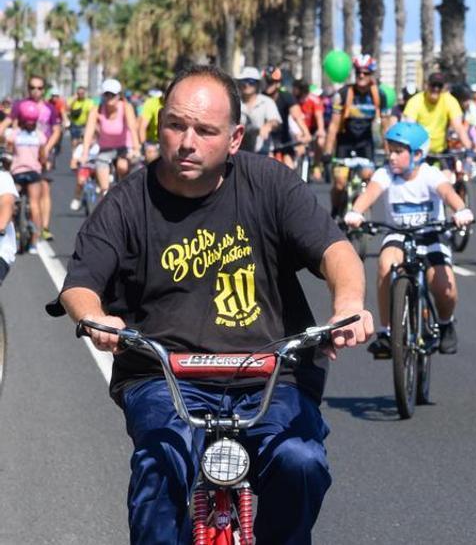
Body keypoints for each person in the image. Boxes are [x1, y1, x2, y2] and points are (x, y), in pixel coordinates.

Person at [55, 64, 374, 542]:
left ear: (235, 137)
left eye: (205, 130)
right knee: (159, 470)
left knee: (300, 462)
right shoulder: (126, 201)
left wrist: (349, 304)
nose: (188, 142)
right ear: (159, 124)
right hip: (164, 377)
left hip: (271, 375)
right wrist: (95, 317)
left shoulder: (271, 185)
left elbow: (335, 250)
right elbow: (79, 284)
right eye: (176, 125)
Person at [344, 122, 472, 357]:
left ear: (418, 154)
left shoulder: (430, 174)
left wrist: (460, 209)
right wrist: (356, 212)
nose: (391, 157)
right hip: (398, 233)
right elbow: (369, 193)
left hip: (430, 234)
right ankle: (386, 332)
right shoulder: (385, 175)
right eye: (389, 150)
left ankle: (445, 325)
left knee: (444, 288)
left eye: (398, 152)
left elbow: (447, 193)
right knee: (385, 265)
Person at [325, 55, 390, 215]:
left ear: (371, 75)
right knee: (340, 183)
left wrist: (389, 152)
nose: (361, 75)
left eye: (366, 73)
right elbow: (333, 125)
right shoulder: (343, 93)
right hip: (344, 142)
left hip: (365, 143)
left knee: (368, 177)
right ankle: (335, 210)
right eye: (358, 72)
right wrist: (327, 151)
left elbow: (385, 128)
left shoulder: (379, 95)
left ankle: (362, 212)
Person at [6, 75, 61, 240]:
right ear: (28, 89)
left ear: (44, 90)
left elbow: (56, 131)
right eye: (32, 87)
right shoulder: (20, 105)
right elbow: (8, 123)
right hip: (29, 155)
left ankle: (43, 227)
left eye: (39, 88)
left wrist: (46, 151)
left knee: (44, 190)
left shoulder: (50, 109)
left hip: (43, 153)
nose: (36, 91)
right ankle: (25, 232)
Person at [74, 78, 140, 208]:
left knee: (122, 167)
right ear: (103, 95)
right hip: (105, 149)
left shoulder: (126, 107)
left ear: (119, 96)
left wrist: (136, 148)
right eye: (107, 94)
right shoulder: (97, 109)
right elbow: (89, 132)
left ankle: (125, 197)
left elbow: (132, 128)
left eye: (113, 95)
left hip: (123, 148)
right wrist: (85, 153)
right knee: (104, 187)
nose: (110, 98)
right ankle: (107, 207)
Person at [4, 101, 49, 251]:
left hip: (17, 173)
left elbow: (9, 152)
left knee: (9, 202)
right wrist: (43, 162)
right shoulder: (40, 136)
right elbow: (43, 157)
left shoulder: (14, 135)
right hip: (33, 174)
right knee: (35, 204)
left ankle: (6, 236)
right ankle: (34, 243)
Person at [401, 72, 472, 159]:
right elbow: (409, 127)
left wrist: (469, 149)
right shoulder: (416, 101)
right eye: (433, 85)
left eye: (439, 86)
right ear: (427, 85)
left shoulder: (449, 100)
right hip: (419, 153)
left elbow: (459, 127)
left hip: (441, 153)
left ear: (443, 88)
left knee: (451, 172)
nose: (436, 89)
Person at [263, 66, 312, 169]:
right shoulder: (261, 98)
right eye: (267, 82)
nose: (268, 85)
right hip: (266, 141)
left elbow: (297, 117)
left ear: (278, 83)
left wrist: (306, 133)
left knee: (289, 169)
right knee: (267, 167)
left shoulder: (286, 97)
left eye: (271, 82)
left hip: (284, 141)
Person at [236, 67, 282, 155]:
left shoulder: (266, 102)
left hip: (261, 152)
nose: (247, 85)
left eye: (251, 81)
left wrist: (268, 126)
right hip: (238, 152)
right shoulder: (235, 102)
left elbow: (275, 121)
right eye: (244, 81)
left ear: (257, 84)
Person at [298, 83, 327, 182]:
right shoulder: (294, 100)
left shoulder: (314, 100)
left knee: (320, 142)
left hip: (313, 127)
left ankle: (316, 164)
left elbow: (319, 117)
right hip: (300, 128)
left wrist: (321, 129)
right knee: (299, 144)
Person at [135, 88, 164, 164]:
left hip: (168, 141)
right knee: (151, 155)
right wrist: (144, 146)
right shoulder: (151, 103)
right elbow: (142, 127)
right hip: (152, 141)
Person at [68, 85, 95, 149]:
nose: (80, 95)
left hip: (84, 125)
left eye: (82, 93)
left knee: (83, 142)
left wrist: (89, 124)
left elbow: (91, 113)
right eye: (78, 93)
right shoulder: (73, 100)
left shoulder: (89, 101)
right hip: (74, 124)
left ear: (85, 93)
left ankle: (81, 155)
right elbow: (67, 108)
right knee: (74, 142)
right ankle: (74, 156)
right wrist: (74, 99)